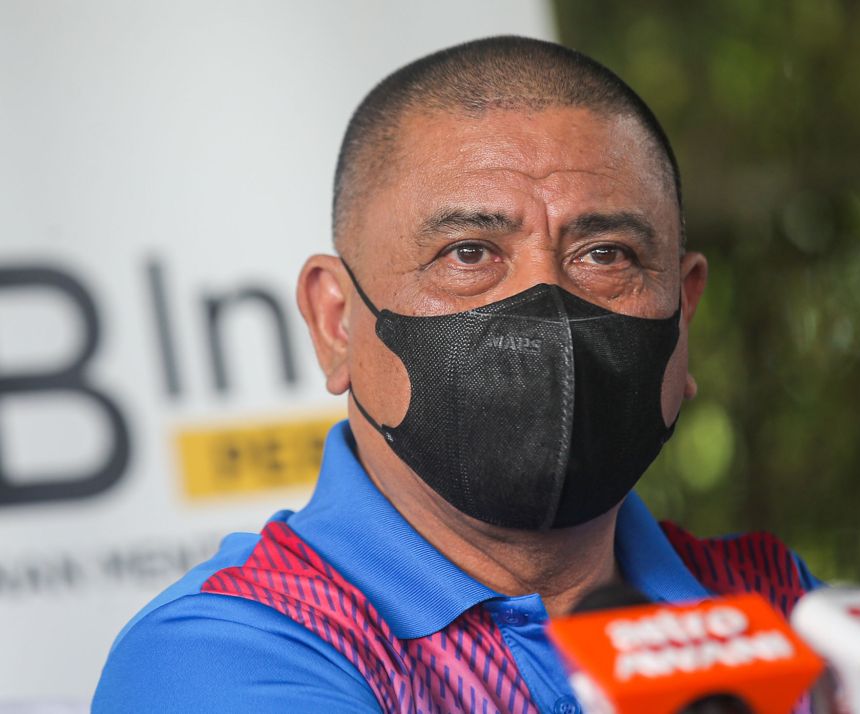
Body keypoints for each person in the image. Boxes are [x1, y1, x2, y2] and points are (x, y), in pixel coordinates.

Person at [93, 36, 821, 712]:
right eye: (468, 254)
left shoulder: (777, 602)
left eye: (605, 255)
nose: (546, 309)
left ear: (684, 316)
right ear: (336, 322)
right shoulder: (226, 651)